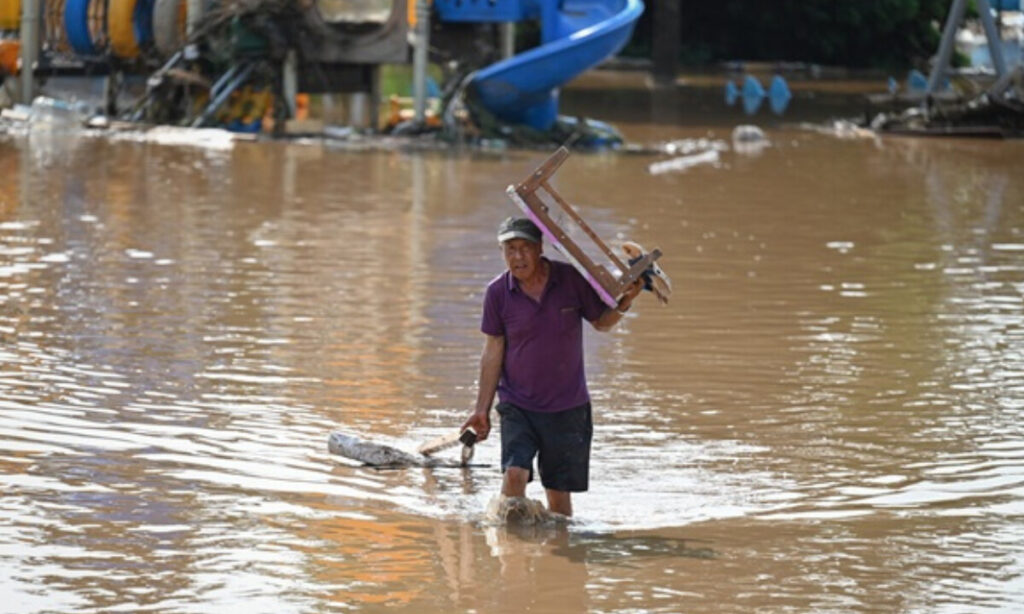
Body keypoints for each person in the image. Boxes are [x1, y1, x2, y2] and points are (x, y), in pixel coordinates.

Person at [461, 216, 643, 517]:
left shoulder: (570, 279)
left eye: (524, 248)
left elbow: (601, 322)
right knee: (514, 475)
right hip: (518, 404)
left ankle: (559, 557)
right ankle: (511, 557)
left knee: (559, 503)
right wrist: (481, 409)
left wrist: (625, 302)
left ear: (540, 248)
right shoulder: (497, 293)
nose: (517, 257)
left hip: (567, 407)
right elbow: (493, 350)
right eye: (510, 249)